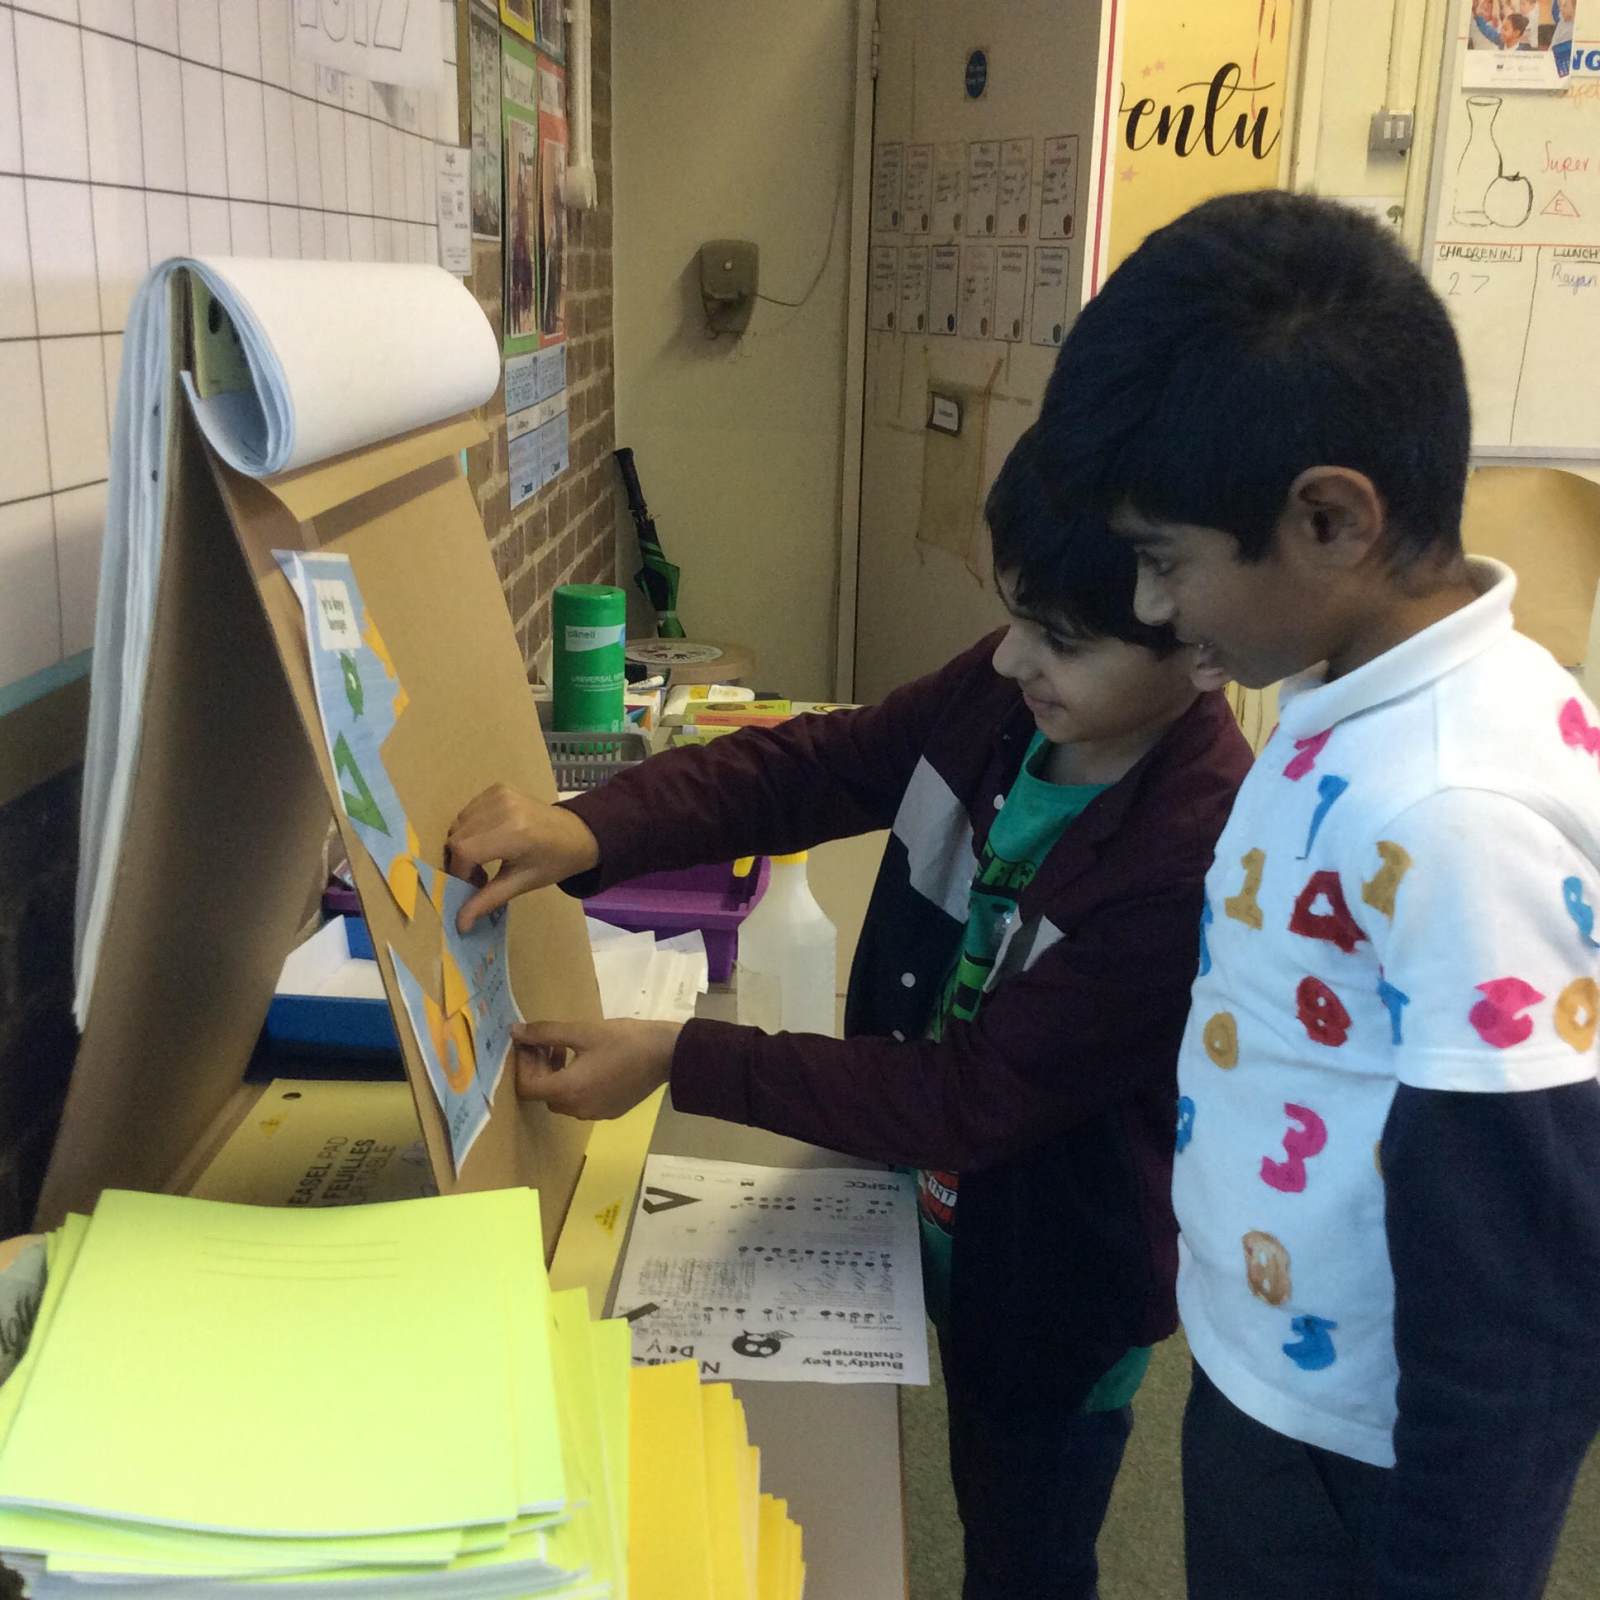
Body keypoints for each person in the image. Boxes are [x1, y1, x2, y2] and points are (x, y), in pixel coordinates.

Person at [446, 427, 1250, 1600]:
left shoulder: (1194, 851)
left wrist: (678, 1054)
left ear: (1205, 643)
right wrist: (593, 827)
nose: (1013, 655)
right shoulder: (1005, 699)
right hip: (911, 1190)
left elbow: (970, 1095)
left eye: (1062, 640)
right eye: (1014, 614)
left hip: (1052, 1273)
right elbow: (813, 768)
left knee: (1023, 1536)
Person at [1031, 187, 1600, 1600]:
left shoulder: (1459, 810)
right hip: (1276, 1368)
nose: (1150, 610)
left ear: (1331, 520)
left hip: (1373, 1459)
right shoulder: (1356, 693)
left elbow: (1521, 1304)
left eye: (1165, 561)